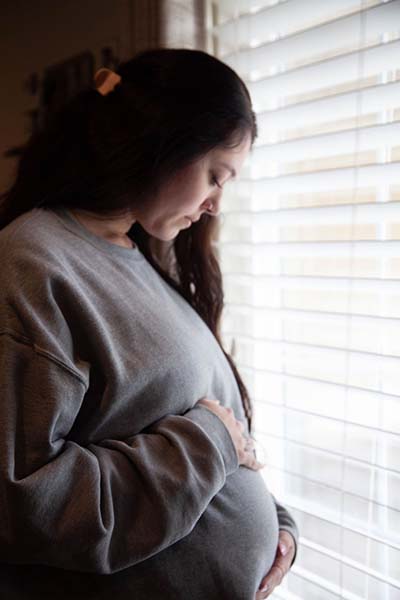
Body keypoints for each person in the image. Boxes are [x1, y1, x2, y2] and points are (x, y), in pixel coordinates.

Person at [0, 48, 299, 599]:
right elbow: (23, 502)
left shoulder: (141, 258)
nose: (214, 205)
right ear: (166, 140)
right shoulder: (32, 263)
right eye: (215, 175)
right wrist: (208, 444)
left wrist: (276, 525)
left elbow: (205, 421)